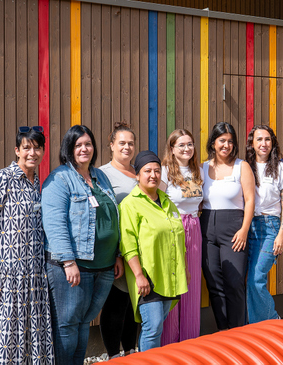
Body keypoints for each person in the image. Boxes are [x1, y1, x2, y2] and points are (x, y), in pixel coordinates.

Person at [0, 126, 54, 364]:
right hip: (5, 274)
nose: (32, 153)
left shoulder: (38, 183)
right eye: (27, 148)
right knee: (3, 332)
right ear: (17, 150)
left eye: (37, 148)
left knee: (27, 332)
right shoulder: (0, 179)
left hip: (32, 274)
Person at [42, 125, 123, 365]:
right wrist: (68, 261)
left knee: (84, 322)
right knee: (68, 324)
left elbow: (112, 217)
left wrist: (117, 254)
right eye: (78, 145)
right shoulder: (59, 179)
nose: (84, 149)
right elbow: (54, 223)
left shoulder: (101, 176)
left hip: (105, 266)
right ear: (69, 149)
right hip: (75, 266)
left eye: (88, 144)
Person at [119, 150, 189, 352]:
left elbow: (178, 239)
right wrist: (139, 275)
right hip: (148, 276)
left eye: (157, 171)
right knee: (153, 326)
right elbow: (128, 244)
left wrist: (183, 268)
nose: (153, 175)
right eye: (147, 171)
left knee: (157, 326)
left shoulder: (167, 202)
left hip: (169, 275)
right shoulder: (131, 204)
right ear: (137, 175)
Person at [201, 122, 255, 329]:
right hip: (207, 228)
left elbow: (250, 200)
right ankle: (223, 333)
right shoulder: (203, 167)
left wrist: (243, 230)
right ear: (213, 143)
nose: (226, 145)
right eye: (222, 140)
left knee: (234, 282)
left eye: (230, 141)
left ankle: (238, 332)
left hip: (234, 229)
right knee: (214, 284)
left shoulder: (243, 166)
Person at [159, 129, 204, 344]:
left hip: (194, 229)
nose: (187, 149)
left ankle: (190, 341)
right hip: (173, 230)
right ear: (172, 149)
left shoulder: (198, 171)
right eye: (181, 145)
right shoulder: (164, 172)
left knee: (192, 284)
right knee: (174, 284)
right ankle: (169, 342)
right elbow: (156, 203)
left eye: (190, 144)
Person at [245, 125, 283, 323]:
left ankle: (273, 321)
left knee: (256, 279)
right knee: (249, 280)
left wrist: (282, 234)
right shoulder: (245, 167)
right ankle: (254, 326)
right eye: (259, 139)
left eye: (267, 139)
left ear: (272, 143)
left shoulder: (281, 168)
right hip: (248, 227)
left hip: (270, 227)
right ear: (252, 143)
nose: (263, 143)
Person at [98, 122, 138, 358]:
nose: (126, 147)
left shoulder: (140, 171)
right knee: (116, 303)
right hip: (117, 250)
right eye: (121, 143)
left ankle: (131, 351)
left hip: (138, 250)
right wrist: (116, 254)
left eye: (130, 143)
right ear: (111, 145)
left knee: (134, 303)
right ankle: (113, 354)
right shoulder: (103, 175)